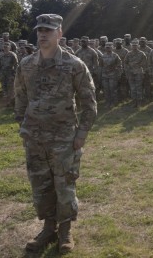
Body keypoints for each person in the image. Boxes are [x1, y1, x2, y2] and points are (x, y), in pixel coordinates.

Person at [14, 14, 97, 254]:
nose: (43, 34)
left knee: (65, 186)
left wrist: (81, 133)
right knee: (41, 186)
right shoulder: (27, 64)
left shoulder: (73, 65)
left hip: (63, 139)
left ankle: (65, 231)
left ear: (59, 33)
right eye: (40, 30)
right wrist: (23, 125)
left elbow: (89, 102)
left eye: (48, 30)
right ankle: (48, 229)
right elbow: (19, 97)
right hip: (35, 139)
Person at [123, 40, 148, 107]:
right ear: (131, 46)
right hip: (130, 73)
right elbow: (125, 62)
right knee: (132, 88)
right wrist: (127, 70)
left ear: (138, 46)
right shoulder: (128, 54)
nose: (134, 47)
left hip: (139, 72)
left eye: (135, 45)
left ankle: (139, 102)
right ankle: (134, 101)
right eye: (133, 45)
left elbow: (145, 63)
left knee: (139, 87)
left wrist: (143, 71)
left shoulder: (142, 54)